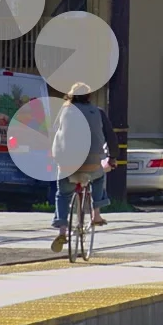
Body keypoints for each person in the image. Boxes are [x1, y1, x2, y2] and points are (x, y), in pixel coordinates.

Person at [52, 82, 110, 236]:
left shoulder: (64, 112)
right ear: (89, 96)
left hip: (67, 165)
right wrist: (113, 158)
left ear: (71, 96)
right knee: (99, 177)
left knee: (63, 194)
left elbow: (54, 133)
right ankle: (96, 213)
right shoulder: (97, 112)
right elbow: (110, 136)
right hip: (91, 163)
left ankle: (62, 230)